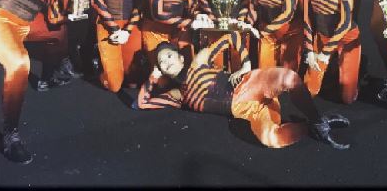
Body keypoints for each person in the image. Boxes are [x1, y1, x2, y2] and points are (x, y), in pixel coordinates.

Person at [134, 38, 350, 150]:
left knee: (288, 78)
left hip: (249, 86)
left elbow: (232, 36)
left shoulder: (198, 61)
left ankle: (318, 119)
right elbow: (142, 103)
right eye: (161, 62)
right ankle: (310, 129)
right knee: (271, 139)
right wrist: (153, 76)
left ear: (181, 57)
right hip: (246, 110)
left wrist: (245, 65)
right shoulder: (177, 95)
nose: (166, 63)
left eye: (169, 57)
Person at [0, 0, 93, 164]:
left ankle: (48, 78)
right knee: (19, 63)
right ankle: (11, 134)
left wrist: (75, 10)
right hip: (3, 18)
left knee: (59, 35)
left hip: (25, 25)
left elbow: (55, 18)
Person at [302, 0, 361, 104]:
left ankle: (356, 68)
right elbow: (307, 18)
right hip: (322, 36)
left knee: (347, 98)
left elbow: (346, 22)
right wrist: (310, 50)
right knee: (309, 91)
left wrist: (326, 53)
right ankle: (334, 67)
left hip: (347, 38)